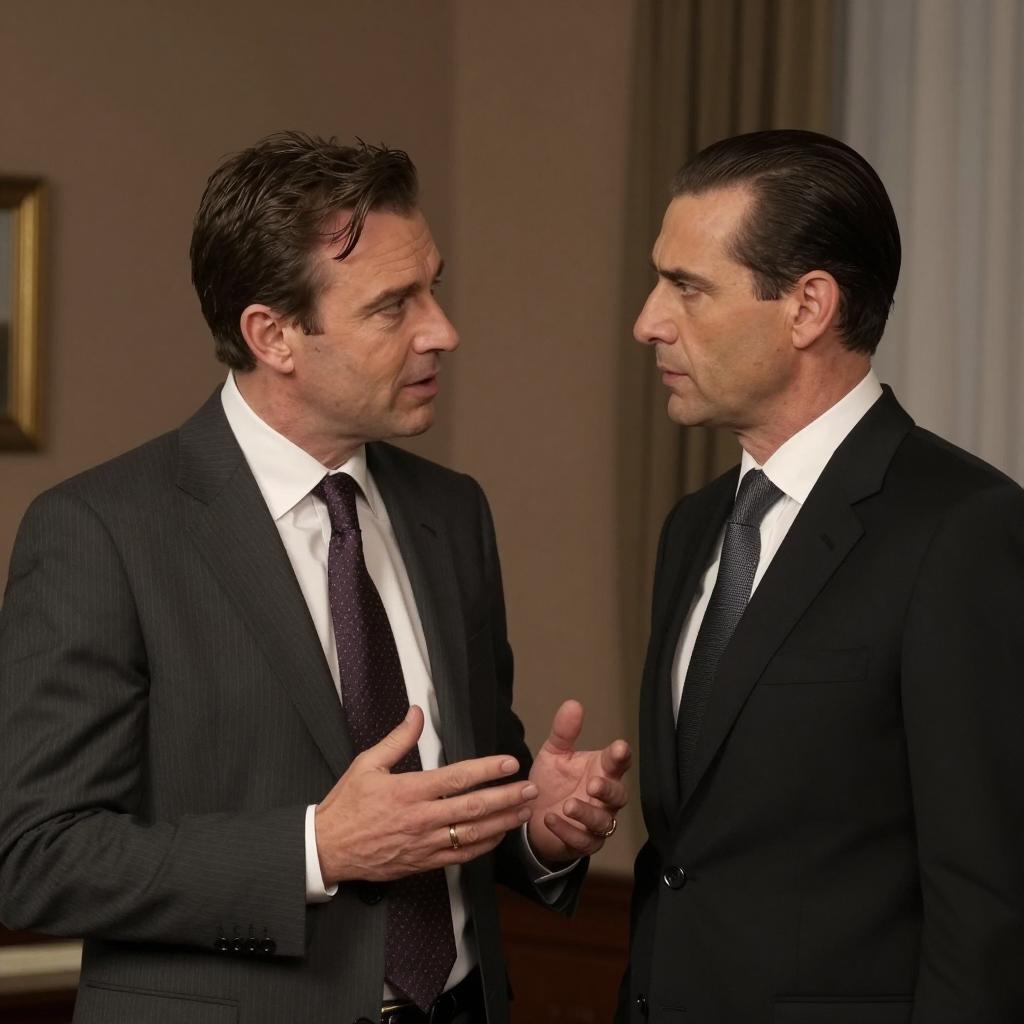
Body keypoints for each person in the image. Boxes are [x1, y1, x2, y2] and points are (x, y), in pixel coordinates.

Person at [0, 131, 630, 1024]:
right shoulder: (101, 532)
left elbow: (443, 803)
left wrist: (538, 828)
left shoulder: (452, 513)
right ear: (273, 336)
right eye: (393, 306)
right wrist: (315, 849)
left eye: (434, 288)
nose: (443, 331)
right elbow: (36, 858)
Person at [618, 129, 1024, 1024]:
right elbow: (692, 857)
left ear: (807, 308)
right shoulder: (693, 528)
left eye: (687, 287)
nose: (648, 321)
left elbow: (986, 905)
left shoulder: (965, 528)